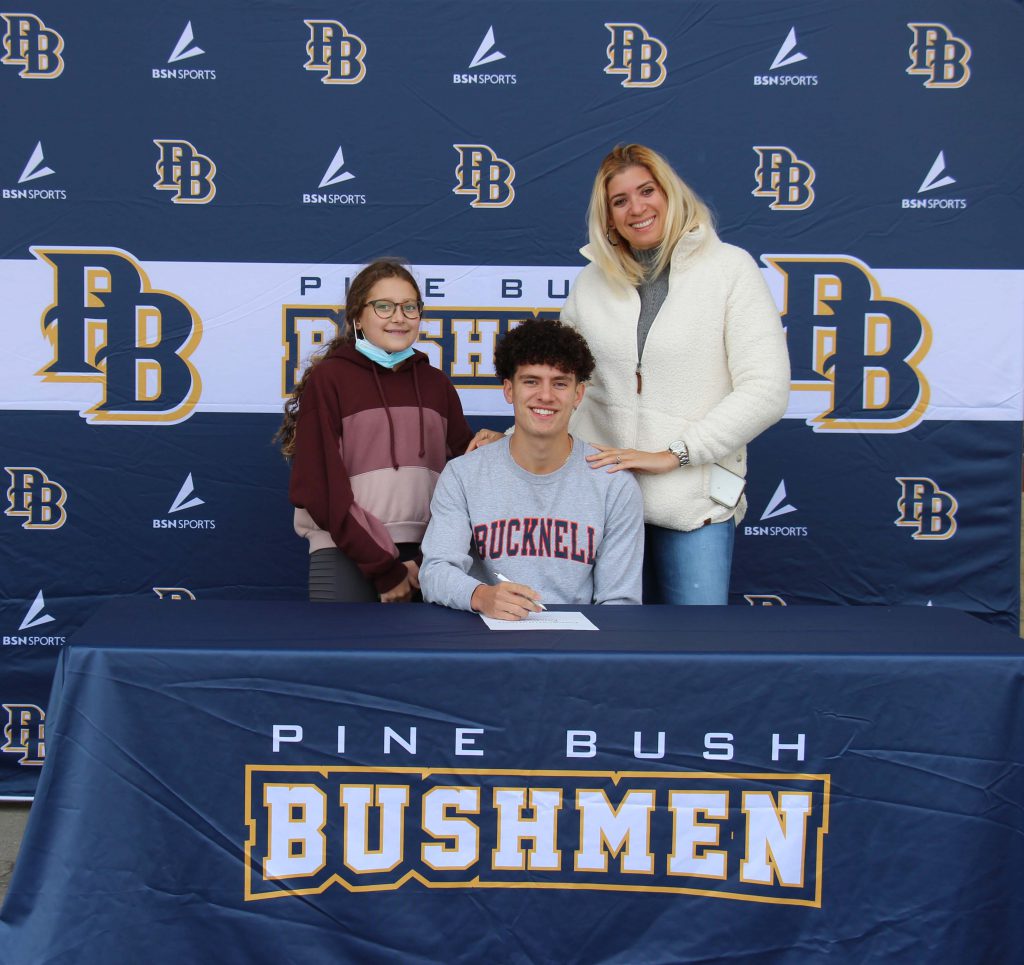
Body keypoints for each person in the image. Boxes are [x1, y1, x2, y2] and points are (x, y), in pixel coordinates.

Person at [559, 143, 791, 605]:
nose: (636, 208)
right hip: (603, 499)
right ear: (607, 218)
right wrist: (513, 443)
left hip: (694, 502)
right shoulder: (589, 283)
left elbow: (767, 391)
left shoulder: (730, 270)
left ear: (671, 194)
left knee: (694, 653)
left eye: (647, 190)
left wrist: (674, 454)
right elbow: (561, 382)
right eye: (619, 200)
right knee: (605, 653)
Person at [278, 259, 491, 603]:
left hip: (426, 560)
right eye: (383, 306)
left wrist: (494, 443)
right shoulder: (330, 380)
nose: (399, 317)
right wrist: (384, 568)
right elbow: (319, 488)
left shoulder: (437, 385)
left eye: (410, 307)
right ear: (357, 317)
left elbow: (466, 475)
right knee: (339, 657)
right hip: (345, 551)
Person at [419, 319, 644, 620]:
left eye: (560, 383)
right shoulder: (463, 474)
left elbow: (620, 602)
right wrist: (481, 596)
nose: (546, 396)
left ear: (578, 394)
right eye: (531, 381)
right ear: (509, 390)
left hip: (576, 651)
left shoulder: (613, 483)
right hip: (485, 640)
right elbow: (435, 572)